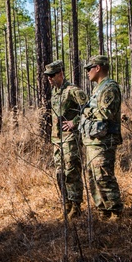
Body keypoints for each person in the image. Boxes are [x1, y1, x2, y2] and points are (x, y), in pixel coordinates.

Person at [78, 55, 122, 219]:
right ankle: (103, 210)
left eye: (89, 68)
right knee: (93, 177)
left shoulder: (109, 88)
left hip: (104, 140)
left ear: (98, 68)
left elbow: (106, 112)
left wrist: (86, 111)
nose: (87, 72)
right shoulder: (98, 89)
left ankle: (115, 212)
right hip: (93, 140)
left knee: (104, 176)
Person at [44, 60, 88, 217]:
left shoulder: (72, 90)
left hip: (70, 139)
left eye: (51, 75)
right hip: (57, 140)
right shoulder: (55, 92)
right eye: (47, 76)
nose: (49, 78)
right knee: (60, 173)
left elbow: (88, 108)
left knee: (72, 172)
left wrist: (74, 122)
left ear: (60, 74)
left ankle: (76, 206)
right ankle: (67, 204)